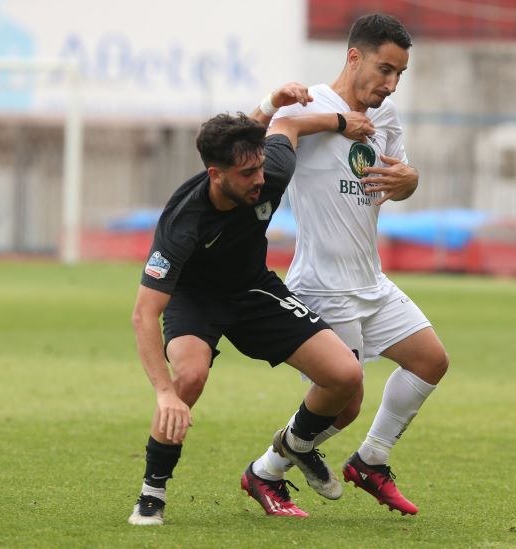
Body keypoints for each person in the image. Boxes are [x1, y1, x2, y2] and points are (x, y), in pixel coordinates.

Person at [128, 83, 376, 525]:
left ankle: (295, 445)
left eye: (259, 166)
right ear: (215, 175)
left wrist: (337, 121)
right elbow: (144, 313)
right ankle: (152, 493)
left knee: (345, 376)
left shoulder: (270, 172)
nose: (259, 179)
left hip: (252, 289)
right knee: (189, 377)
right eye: (246, 173)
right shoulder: (183, 222)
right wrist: (164, 394)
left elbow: (287, 127)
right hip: (196, 298)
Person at [247, 14, 449, 517]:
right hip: (322, 285)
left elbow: (398, 177)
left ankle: (370, 461)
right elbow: (250, 139)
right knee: (346, 401)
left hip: (370, 280)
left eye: (400, 73)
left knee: (431, 361)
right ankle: (267, 470)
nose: (391, 84)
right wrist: (320, 118)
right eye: (385, 69)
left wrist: (411, 180)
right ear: (354, 57)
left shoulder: (387, 116)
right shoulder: (309, 103)